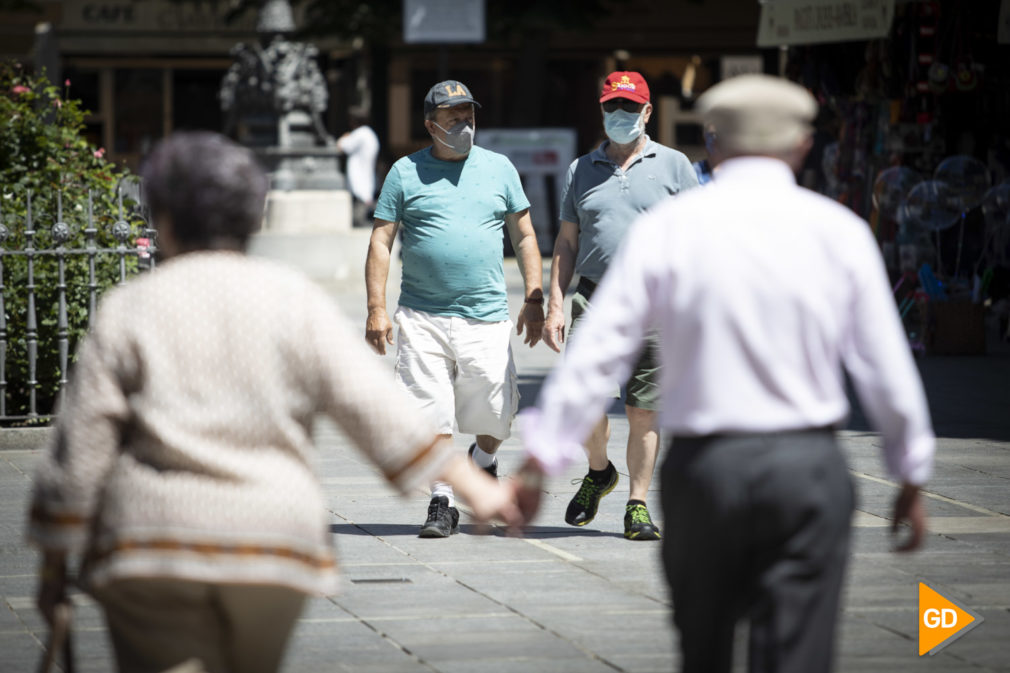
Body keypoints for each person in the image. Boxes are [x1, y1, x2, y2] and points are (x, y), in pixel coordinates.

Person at [27, 132, 522, 673]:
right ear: (253, 218)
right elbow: (374, 410)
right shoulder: (292, 299)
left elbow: (79, 448)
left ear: (164, 220)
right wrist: (477, 488)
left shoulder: (130, 308)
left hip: (152, 541)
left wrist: (55, 565)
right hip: (273, 539)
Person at [516, 74, 935, 672]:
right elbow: (885, 366)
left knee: (703, 646)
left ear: (712, 144)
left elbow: (599, 348)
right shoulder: (839, 231)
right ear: (802, 146)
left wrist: (539, 459)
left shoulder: (670, 228)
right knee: (799, 651)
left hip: (706, 470)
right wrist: (912, 471)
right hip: (808, 469)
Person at [365, 80, 545, 538]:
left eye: (468, 116)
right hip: (422, 314)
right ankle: (441, 501)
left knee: (496, 409)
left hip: (484, 314)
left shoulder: (499, 168)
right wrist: (376, 309)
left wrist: (534, 296)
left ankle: (481, 460)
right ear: (430, 125)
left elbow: (524, 235)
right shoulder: (405, 172)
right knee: (430, 413)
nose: (464, 125)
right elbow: (382, 240)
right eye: (453, 118)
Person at [542, 71, 698, 540]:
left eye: (630, 109)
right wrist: (554, 304)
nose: (620, 116)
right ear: (602, 110)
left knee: (642, 411)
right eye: (613, 107)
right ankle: (599, 470)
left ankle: (637, 504)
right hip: (596, 296)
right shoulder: (581, 169)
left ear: (648, 113)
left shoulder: (675, 166)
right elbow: (566, 243)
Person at [336, 105, 380, 228]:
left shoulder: (360, 134)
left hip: (359, 178)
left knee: (359, 216)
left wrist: (344, 137)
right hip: (366, 177)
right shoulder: (370, 134)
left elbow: (342, 146)